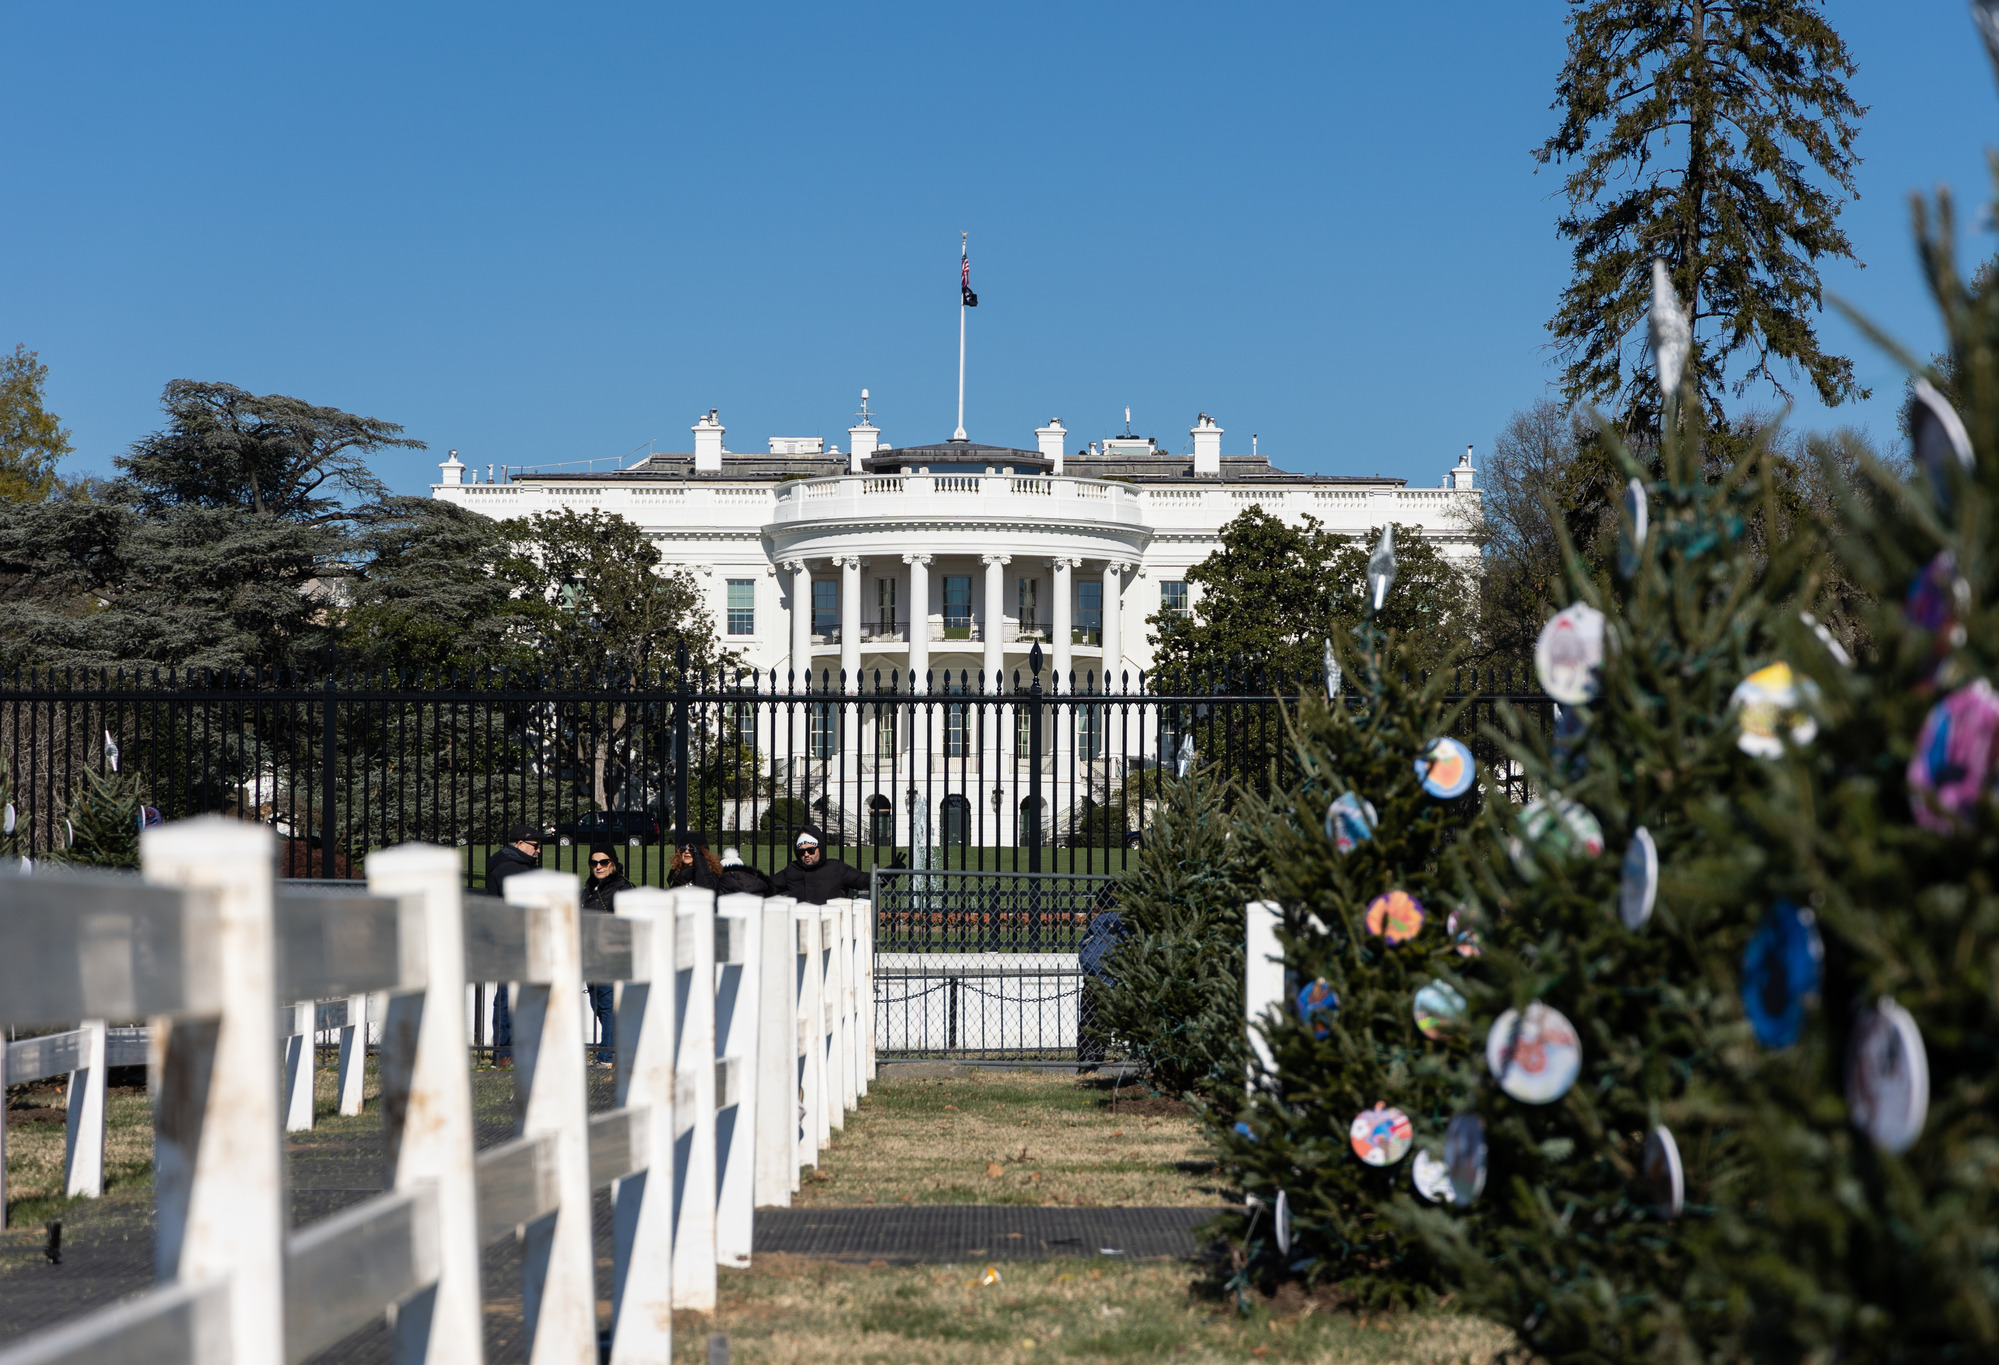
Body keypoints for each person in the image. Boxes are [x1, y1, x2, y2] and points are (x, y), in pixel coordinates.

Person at [483, 823, 543, 1067]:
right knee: (509, 997)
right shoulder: (510, 868)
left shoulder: (513, 863)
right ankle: (505, 1053)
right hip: (513, 939)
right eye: (535, 846)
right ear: (520, 844)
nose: (538, 851)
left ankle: (510, 1050)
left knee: (514, 996)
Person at [581, 844, 632, 1064]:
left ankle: (606, 1055)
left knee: (607, 1004)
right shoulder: (590, 887)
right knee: (596, 1002)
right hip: (590, 952)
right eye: (594, 862)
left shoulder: (622, 888)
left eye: (604, 862)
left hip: (610, 953)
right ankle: (614, 1046)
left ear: (613, 863)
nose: (599, 867)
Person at [769, 823, 869, 905]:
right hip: (801, 925)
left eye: (810, 850)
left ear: (820, 848)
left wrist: (884, 873)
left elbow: (866, 880)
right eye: (801, 852)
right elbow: (767, 886)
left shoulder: (836, 868)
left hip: (832, 923)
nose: (806, 855)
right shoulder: (792, 870)